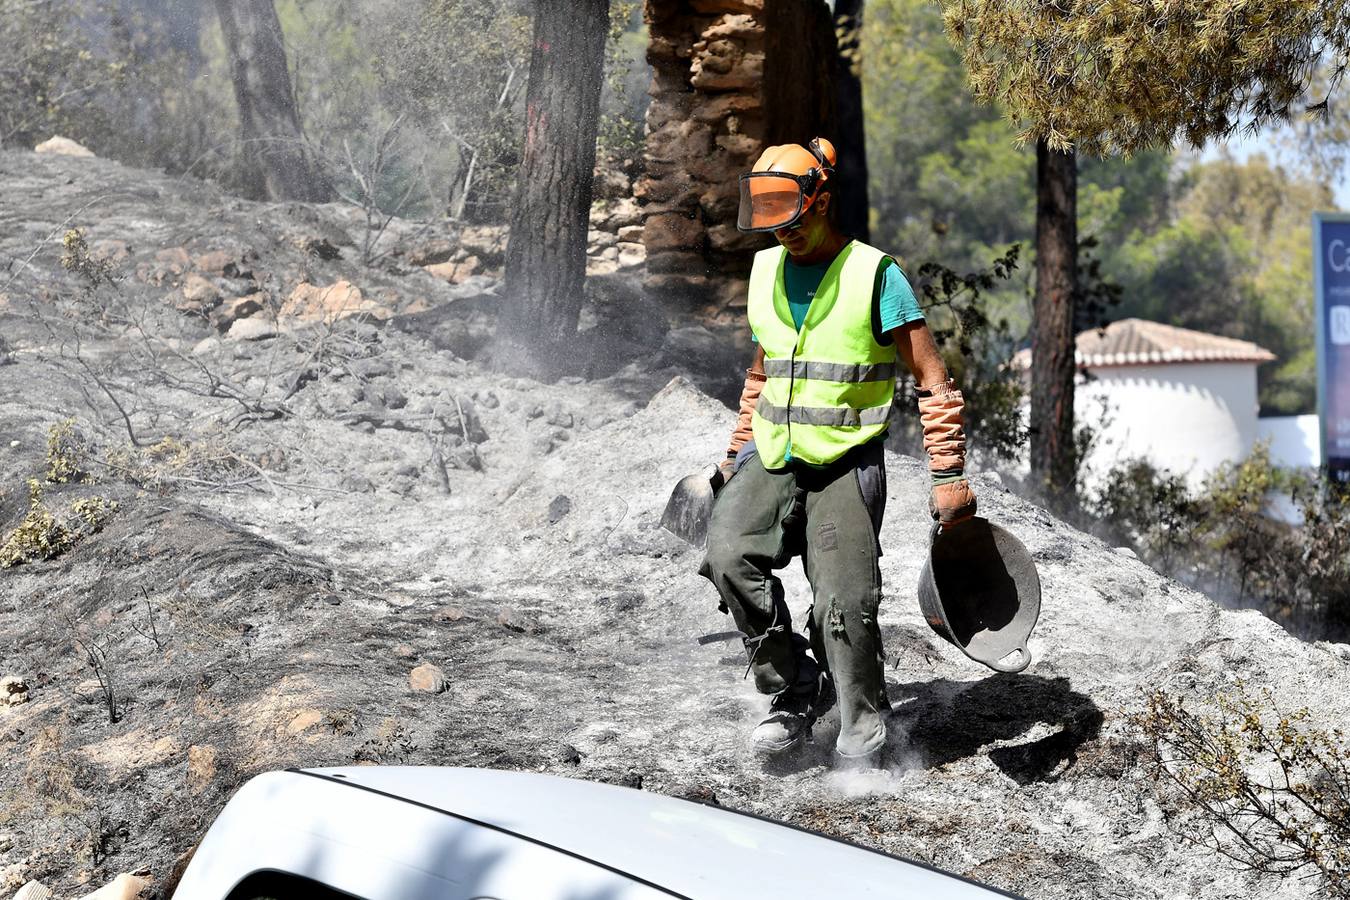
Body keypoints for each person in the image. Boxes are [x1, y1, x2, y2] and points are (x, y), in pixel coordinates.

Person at [698, 137, 977, 765]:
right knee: (726, 556)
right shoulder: (766, 268)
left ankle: (863, 738)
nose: (784, 234)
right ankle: (795, 688)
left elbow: (934, 380)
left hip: (847, 464)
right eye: (771, 220)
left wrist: (950, 475)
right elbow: (762, 373)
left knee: (845, 605)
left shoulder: (875, 275)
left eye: (793, 217)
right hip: (772, 455)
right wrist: (735, 449)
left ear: (821, 200)